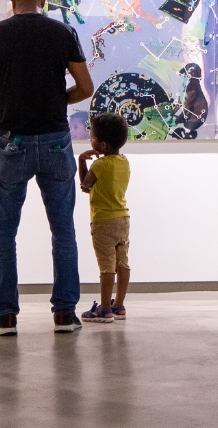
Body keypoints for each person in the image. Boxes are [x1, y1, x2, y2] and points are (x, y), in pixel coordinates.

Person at [0, 0, 94, 336]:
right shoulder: (63, 33)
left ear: (12, 1)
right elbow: (85, 87)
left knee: (5, 232)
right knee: (63, 230)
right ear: (42, 1)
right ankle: (65, 314)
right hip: (56, 139)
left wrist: (3, 100)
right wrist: (59, 100)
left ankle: (6, 314)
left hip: (13, 141)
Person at [78, 112, 131, 323]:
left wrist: (82, 160)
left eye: (92, 138)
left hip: (103, 221)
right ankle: (119, 305)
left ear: (102, 145)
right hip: (123, 218)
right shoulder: (124, 161)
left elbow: (84, 185)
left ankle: (104, 309)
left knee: (106, 266)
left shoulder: (99, 165)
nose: (90, 141)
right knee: (122, 263)